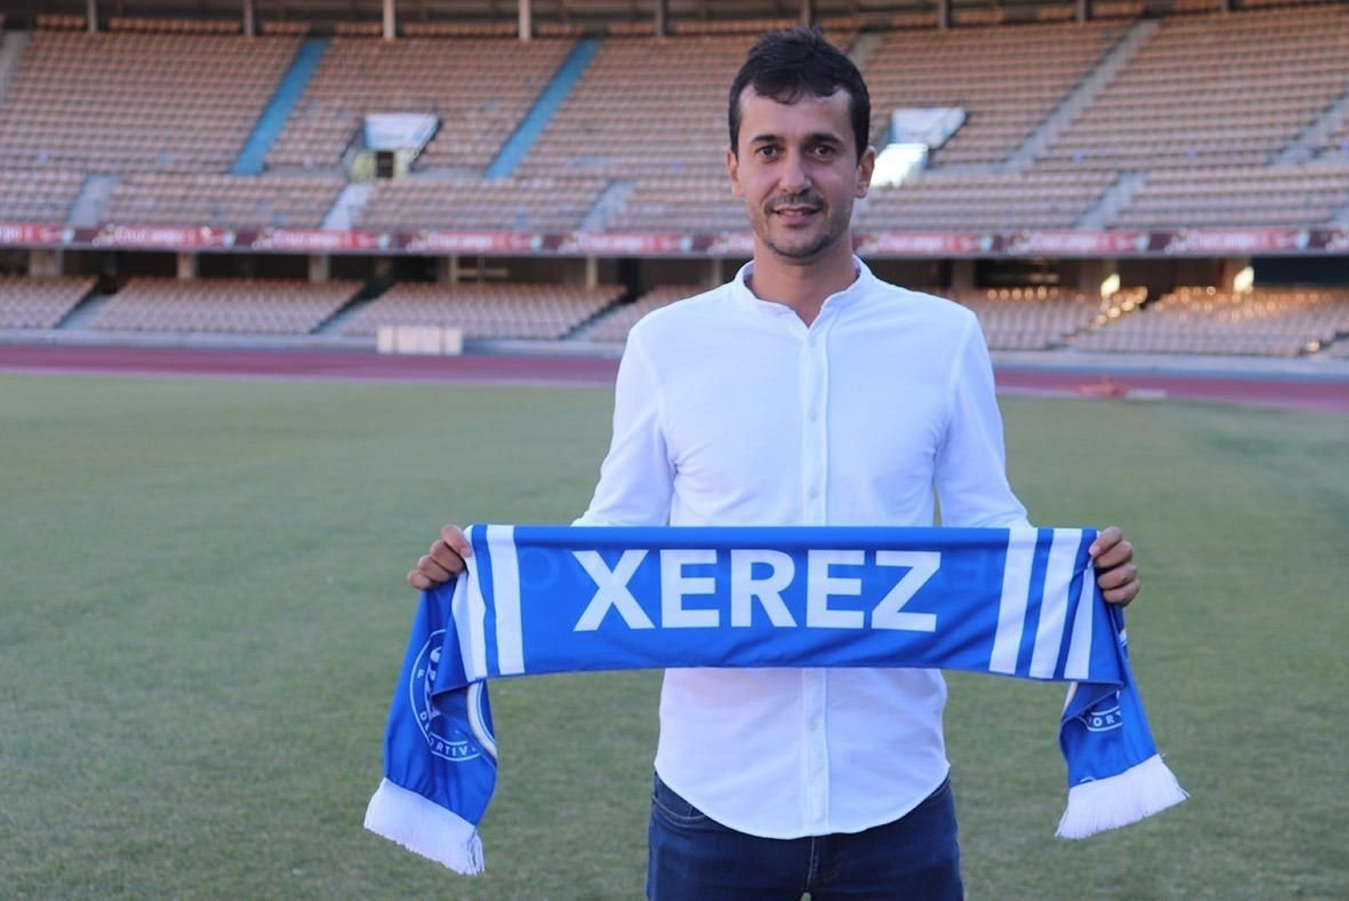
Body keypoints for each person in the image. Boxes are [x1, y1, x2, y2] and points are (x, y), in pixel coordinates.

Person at [406, 27, 1141, 900]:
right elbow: (617, 540)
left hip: (895, 792)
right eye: (770, 151)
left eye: (821, 150)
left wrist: (1078, 576)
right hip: (711, 797)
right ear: (735, 169)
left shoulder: (944, 338)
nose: (795, 176)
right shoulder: (664, 345)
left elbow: (988, 529)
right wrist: (482, 577)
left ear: (863, 168)